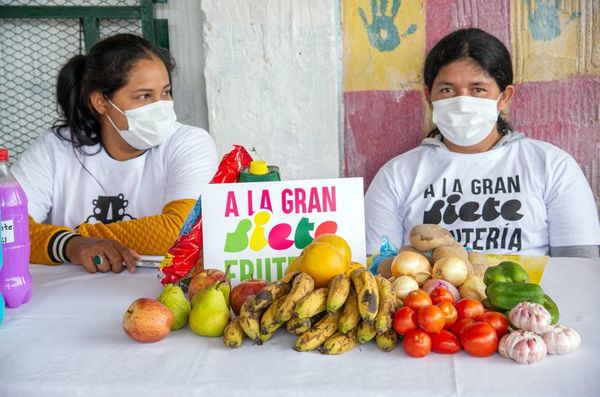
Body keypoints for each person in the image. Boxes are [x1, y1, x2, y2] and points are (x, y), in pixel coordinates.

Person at [365, 28, 600, 258]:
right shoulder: (396, 175)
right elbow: (375, 270)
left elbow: (579, 267)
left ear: (504, 97)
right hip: (431, 297)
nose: (462, 102)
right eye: (447, 89)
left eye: (478, 90)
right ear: (429, 96)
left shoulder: (552, 166)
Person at [11, 34, 219, 273]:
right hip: (67, 297)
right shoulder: (56, 147)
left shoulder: (188, 142)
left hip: (158, 296)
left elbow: (184, 230)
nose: (161, 105)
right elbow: (7, 228)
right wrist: (71, 245)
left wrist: (74, 240)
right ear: (101, 102)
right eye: (144, 96)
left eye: (165, 92)